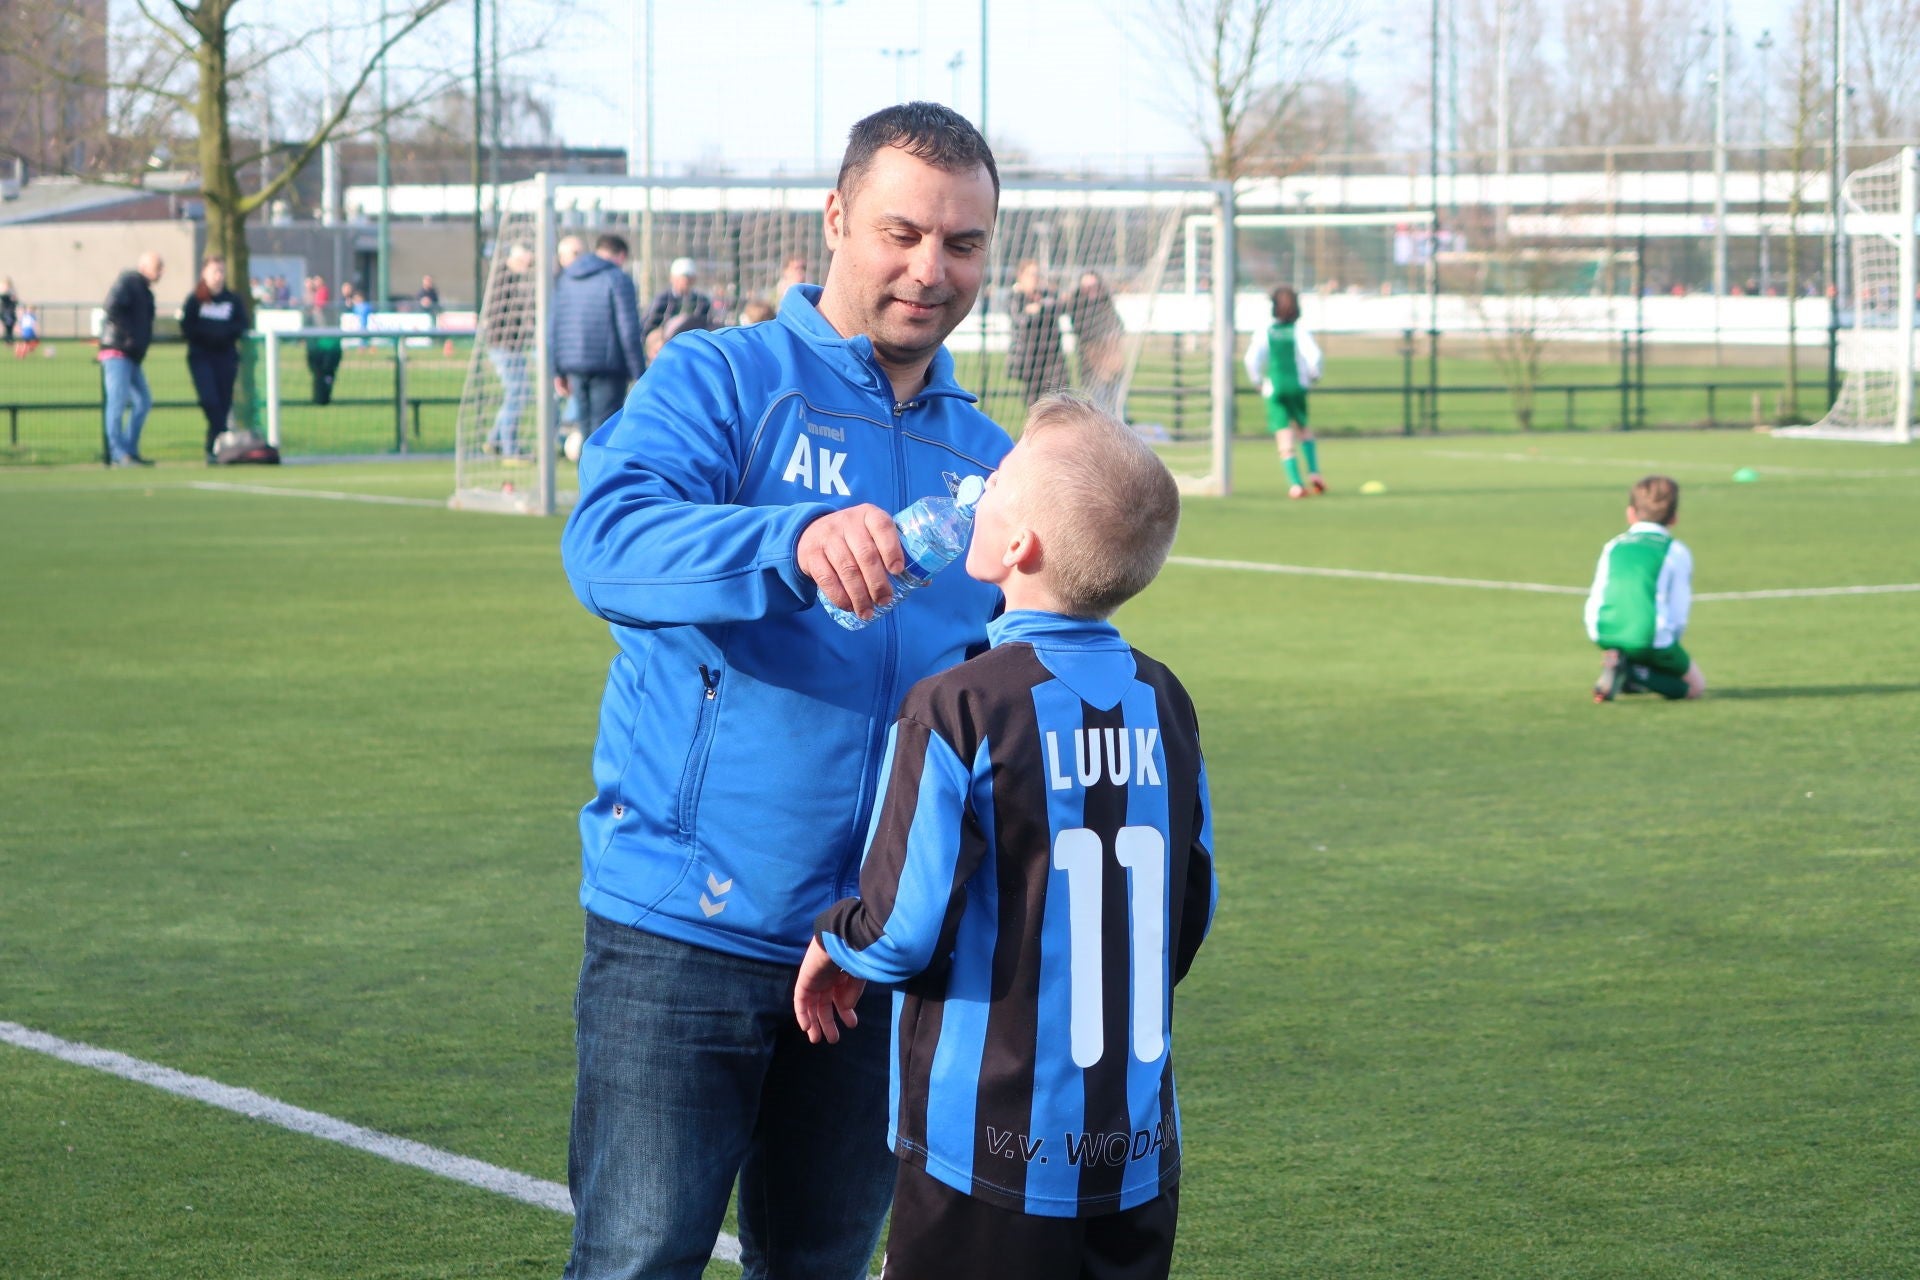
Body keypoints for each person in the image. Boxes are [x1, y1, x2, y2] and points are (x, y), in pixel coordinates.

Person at [557, 101, 1007, 1280]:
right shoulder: (721, 377)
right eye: (902, 231)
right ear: (837, 218)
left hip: (870, 951)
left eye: (962, 243)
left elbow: (1002, 692)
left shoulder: (992, 464)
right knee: (637, 1260)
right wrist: (789, 542)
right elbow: (606, 545)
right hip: (684, 928)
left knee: (820, 1265)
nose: (930, 268)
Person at [794, 392, 1215, 1280]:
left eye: (996, 485)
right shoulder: (1168, 700)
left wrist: (835, 938)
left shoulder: (957, 705)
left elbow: (900, 932)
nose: (974, 490)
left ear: (1018, 547)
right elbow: (1191, 908)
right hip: (1135, 1145)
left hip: (985, 1147)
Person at [1586, 475, 1707, 702]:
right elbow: (1678, 610)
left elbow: (1598, 592)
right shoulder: (1675, 551)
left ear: (1630, 513)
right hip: (1647, 636)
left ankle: (1625, 667)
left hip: (1601, 632)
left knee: (1643, 648)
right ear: (1674, 518)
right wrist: (1670, 647)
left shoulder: (1614, 545)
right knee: (1694, 687)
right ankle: (1631, 672)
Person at [551, 234, 646, 437]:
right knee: (604, 431)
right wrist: (639, 372)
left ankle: (583, 459)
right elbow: (628, 329)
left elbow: (555, 326)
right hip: (608, 367)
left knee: (585, 428)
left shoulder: (566, 278)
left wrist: (558, 370)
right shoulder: (617, 279)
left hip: (573, 366)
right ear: (621, 256)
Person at [1243, 284, 1325, 499]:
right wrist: (1314, 374)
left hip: (1275, 388)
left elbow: (1251, 359)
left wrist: (1257, 380)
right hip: (1297, 386)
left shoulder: (1265, 331)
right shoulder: (1298, 331)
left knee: (1284, 434)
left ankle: (1296, 485)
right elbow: (1314, 356)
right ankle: (1314, 472)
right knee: (1303, 429)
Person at [180, 255, 252, 464]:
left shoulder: (232, 300)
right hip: (201, 357)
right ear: (204, 273)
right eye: (214, 271)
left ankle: (214, 448)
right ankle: (222, 438)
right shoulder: (195, 300)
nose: (218, 276)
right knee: (209, 400)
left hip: (226, 358)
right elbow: (188, 327)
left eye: (221, 271)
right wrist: (210, 334)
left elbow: (241, 324)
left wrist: (223, 333)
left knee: (223, 402)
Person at [100, 251, 163, 466]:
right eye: (157, 266)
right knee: (117, 402)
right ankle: (118, 453)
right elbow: (111, 307)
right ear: (144, 266)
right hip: (118, 352)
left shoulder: (146, 292)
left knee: (143, 401)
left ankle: (129, 449)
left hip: (132, 355)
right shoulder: (128, 282)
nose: (161, 272)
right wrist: (128, 336)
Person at [482, 243, 535, 455]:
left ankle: (494, 440)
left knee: (519, 391)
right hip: (504, 346)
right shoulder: (503, 279)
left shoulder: (509, 278)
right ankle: (509, 447)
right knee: (518, 392)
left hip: (509, 346)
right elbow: (498, 317)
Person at [1007, 257, 1066, 407]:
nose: (1034, 278)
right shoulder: (1016, 297)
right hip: (1030, 359)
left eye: (1037, 274)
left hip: (1052, 357)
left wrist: (1039, 307)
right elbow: (1019, 320)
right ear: (1021, 276)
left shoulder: (1045, 295)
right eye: (1031, 274)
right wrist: (1031, 312)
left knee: (1059, 399)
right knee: (1035, 402)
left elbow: (1059, 306)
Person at [1067, 270, 1127, 417]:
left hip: (1113, 368)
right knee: (1098, 412)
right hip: (1092, 369)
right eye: (1087, 287)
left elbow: (1119, 328)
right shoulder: (1078, 309)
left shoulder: (1107, 305)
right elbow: (1085, 334)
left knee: (1118, 410)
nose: (1091, 290)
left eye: (1095, 286)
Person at [639, 255, 714, 338]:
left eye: (689, 278)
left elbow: (709, 326)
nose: (685, 281)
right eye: (682, 277)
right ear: (672, 278)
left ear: (694, 279)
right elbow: (648, 327)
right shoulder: (662, 300)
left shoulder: (702, 302)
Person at [1, 277, 18, 343]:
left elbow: (15, 301)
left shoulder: (11, 292)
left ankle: (9, 339)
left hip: (10, 312)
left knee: (10, 326)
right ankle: (8, 340)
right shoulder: (4, 293)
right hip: (6, 313)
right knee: (7, 326)